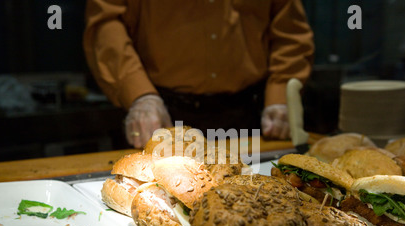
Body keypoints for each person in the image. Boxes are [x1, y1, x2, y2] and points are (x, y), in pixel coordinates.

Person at [83, 0, 314, 149]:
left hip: (248, 115)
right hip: (160, 115)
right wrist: (138, 94)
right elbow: (106, 23)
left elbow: (291, 35)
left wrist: (281, 96)